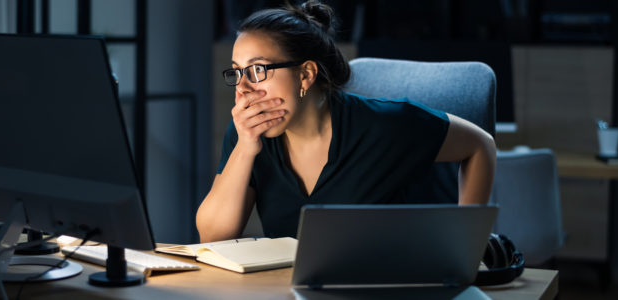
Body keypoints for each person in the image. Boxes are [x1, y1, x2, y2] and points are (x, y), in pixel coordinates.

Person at [196, 0, 496, 242]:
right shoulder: (247, 134)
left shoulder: (387, 124)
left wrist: (468, 243)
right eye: (237, 72)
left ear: (306, 74)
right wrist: (245, 150)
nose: (243, 88)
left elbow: (480, 145)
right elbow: (213, 235)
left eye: (258, 70)